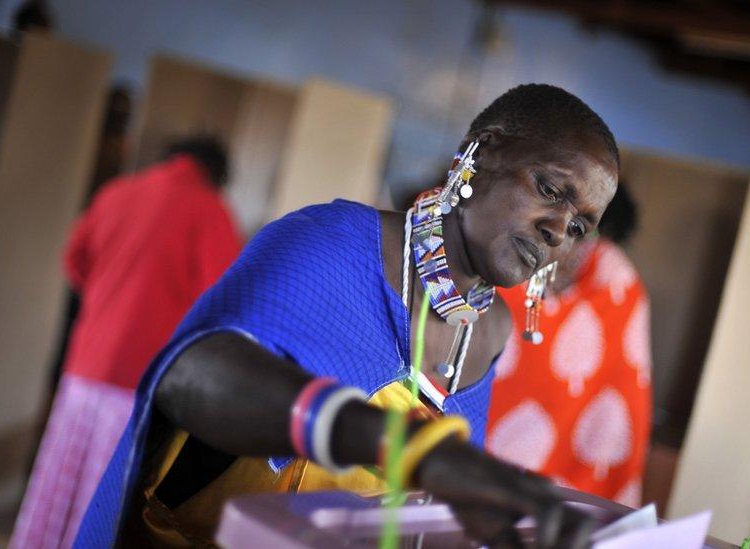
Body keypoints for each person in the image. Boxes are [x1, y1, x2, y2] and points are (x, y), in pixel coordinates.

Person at [77, 84, 620, 548]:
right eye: (550, 189)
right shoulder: (332, 242)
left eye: (579, 226)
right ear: (483, 152)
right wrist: (406, 448)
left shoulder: (491, 334)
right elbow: (191, 377)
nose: (557, 230)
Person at [11, 136, 244, 549]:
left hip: (86, 368)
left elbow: (75, 261)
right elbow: (223, 302)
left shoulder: (118, 192)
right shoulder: (211, 212)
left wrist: (108, 300)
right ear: (216, 174)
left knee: (58, 487)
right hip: (143, 382)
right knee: (106, 501)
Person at [486, 184, 651, 507]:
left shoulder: (617, 285)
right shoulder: (504, 259)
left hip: (571, 490)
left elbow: (620, 401)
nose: (565, 237)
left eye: (581, 229)